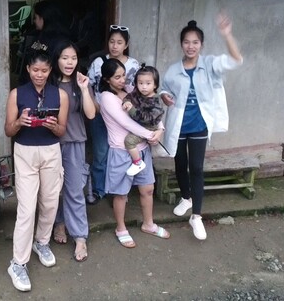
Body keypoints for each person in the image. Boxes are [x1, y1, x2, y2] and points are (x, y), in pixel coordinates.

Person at [160, 14, 243, 241]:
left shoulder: (210, 65)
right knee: (179, 163)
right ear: (181, 44)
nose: (190, 46)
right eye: (187, 42)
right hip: (179, 125)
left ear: (201, 45)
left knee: (196, 168)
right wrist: (165, 96)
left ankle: (196, 216)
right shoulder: (174, 69)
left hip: (199, 125)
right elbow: (164, 88)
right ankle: (185, 198)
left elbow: (236, 60)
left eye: (195, 42)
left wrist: (227, 35)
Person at [4, 50, 69, 292]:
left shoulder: (60, 94)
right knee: (26, 208)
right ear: (29, 69)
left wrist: (54, 126)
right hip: (25, 152)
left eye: (44, 71)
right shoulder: (17, 93)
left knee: (50, 202)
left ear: (50, 70)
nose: (39, 75)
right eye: (35, 70)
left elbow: (63, 131)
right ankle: (18, 263)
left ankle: (42, 242)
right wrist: (20, 122)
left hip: (51, 150)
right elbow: (8, 130)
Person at [98, 58, 168, 248]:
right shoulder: (107, 97)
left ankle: (148, 224)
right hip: (122, 151)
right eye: (117, 77)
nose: (123, 80)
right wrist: (150, 134)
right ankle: (120, 228)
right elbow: (126, 122)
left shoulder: (131, 90)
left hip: (142, 149)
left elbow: (151, 110)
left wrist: (160, 130)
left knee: (148, 189)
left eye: (124, 76)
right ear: (106, 79)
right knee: (121, 194)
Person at [50, 41, 96, 262]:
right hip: (50, 143)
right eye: (64, 57)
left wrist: (85, 88)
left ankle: (79, 236)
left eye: (74, 58)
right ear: (56, 59)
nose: (69, 62)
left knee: (75, 188)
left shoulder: (81, 84)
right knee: (53, 189)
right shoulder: (49, 83)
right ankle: (60, 222)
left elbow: (90, 114)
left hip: (75, 141)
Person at [86, 25, 140, 204]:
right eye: (111, 41)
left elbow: (139, 89)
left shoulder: (132, 65)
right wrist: (94, 102)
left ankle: (120, 190)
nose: (114, 46)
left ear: (126, 44)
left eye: (119, 42)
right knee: (101, 152)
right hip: (101, 115)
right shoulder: (98, 62)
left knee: (123, 151)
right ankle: (100, 190)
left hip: (124, 117)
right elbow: (88, 84)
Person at [121, 65, 166, 176]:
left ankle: (138, 162)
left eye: (148, 83)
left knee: (129, 141)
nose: (144, 87)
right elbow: (128, 97)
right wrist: (125, 102)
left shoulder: (156, 101)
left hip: (149, 126)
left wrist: (131, 109)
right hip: (139, 124)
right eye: (140, 83)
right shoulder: (137, 94)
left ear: (155, 84)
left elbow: (147, 119)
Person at [19, 1, 72, 84]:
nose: (34, 21)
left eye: (36, 17)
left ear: (43, 18)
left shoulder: (61, 42)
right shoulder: (39, 36)